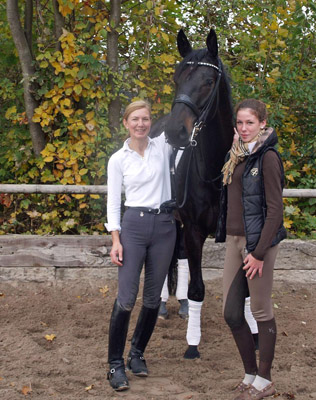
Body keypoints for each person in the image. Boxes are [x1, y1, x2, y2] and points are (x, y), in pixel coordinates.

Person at [216, 98, 287, 400]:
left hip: (259, 244)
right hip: (234, 242)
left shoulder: (268, 158)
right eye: (240, 123)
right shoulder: (238, 156)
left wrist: (257, 253)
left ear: (262, 124)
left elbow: (275, 210)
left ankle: (265, 379)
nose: (244, 128)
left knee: (259, 310)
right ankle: (249, 372)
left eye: (250, 123)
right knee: (231, 313)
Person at [105, 100, 176, 391]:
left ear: (151, 122)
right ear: (126, 123)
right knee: (126, 298)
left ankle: (136, 354)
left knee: (152, 299)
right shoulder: (117, 159)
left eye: (145, 119)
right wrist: (116, 240)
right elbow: (112, 203)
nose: (141, 124)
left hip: (164, 227)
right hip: (133, 226)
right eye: (135, 119)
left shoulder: (164, 146)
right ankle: (115, 365)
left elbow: (189, 121)